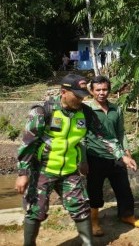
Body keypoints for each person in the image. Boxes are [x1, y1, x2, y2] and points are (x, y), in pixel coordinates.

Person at [15, 74, 94, 246]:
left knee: (81, 207)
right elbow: (28, 144)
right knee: (35, 210)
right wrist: (23, 173)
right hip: (43, 170)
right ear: (63, 92)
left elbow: (89, 138)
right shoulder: (43, 111)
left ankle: (89, 244)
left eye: (83, 96)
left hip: (70, 171)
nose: (81, 99)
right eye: (77, 95)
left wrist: (85, 160)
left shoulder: (85, 113)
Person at [85, 76, 139, 237]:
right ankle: (94, 220)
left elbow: (120, 133)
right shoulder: (86, 110)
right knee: (94, 189)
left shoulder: (115, 109)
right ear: (92, 91)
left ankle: (126, 215)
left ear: (109, 90)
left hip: (116, 157)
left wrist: (126, 151)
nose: (102, 93)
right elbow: (93, 136)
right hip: (95, 156)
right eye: (98, 90)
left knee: (123, 187)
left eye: (104, 89)